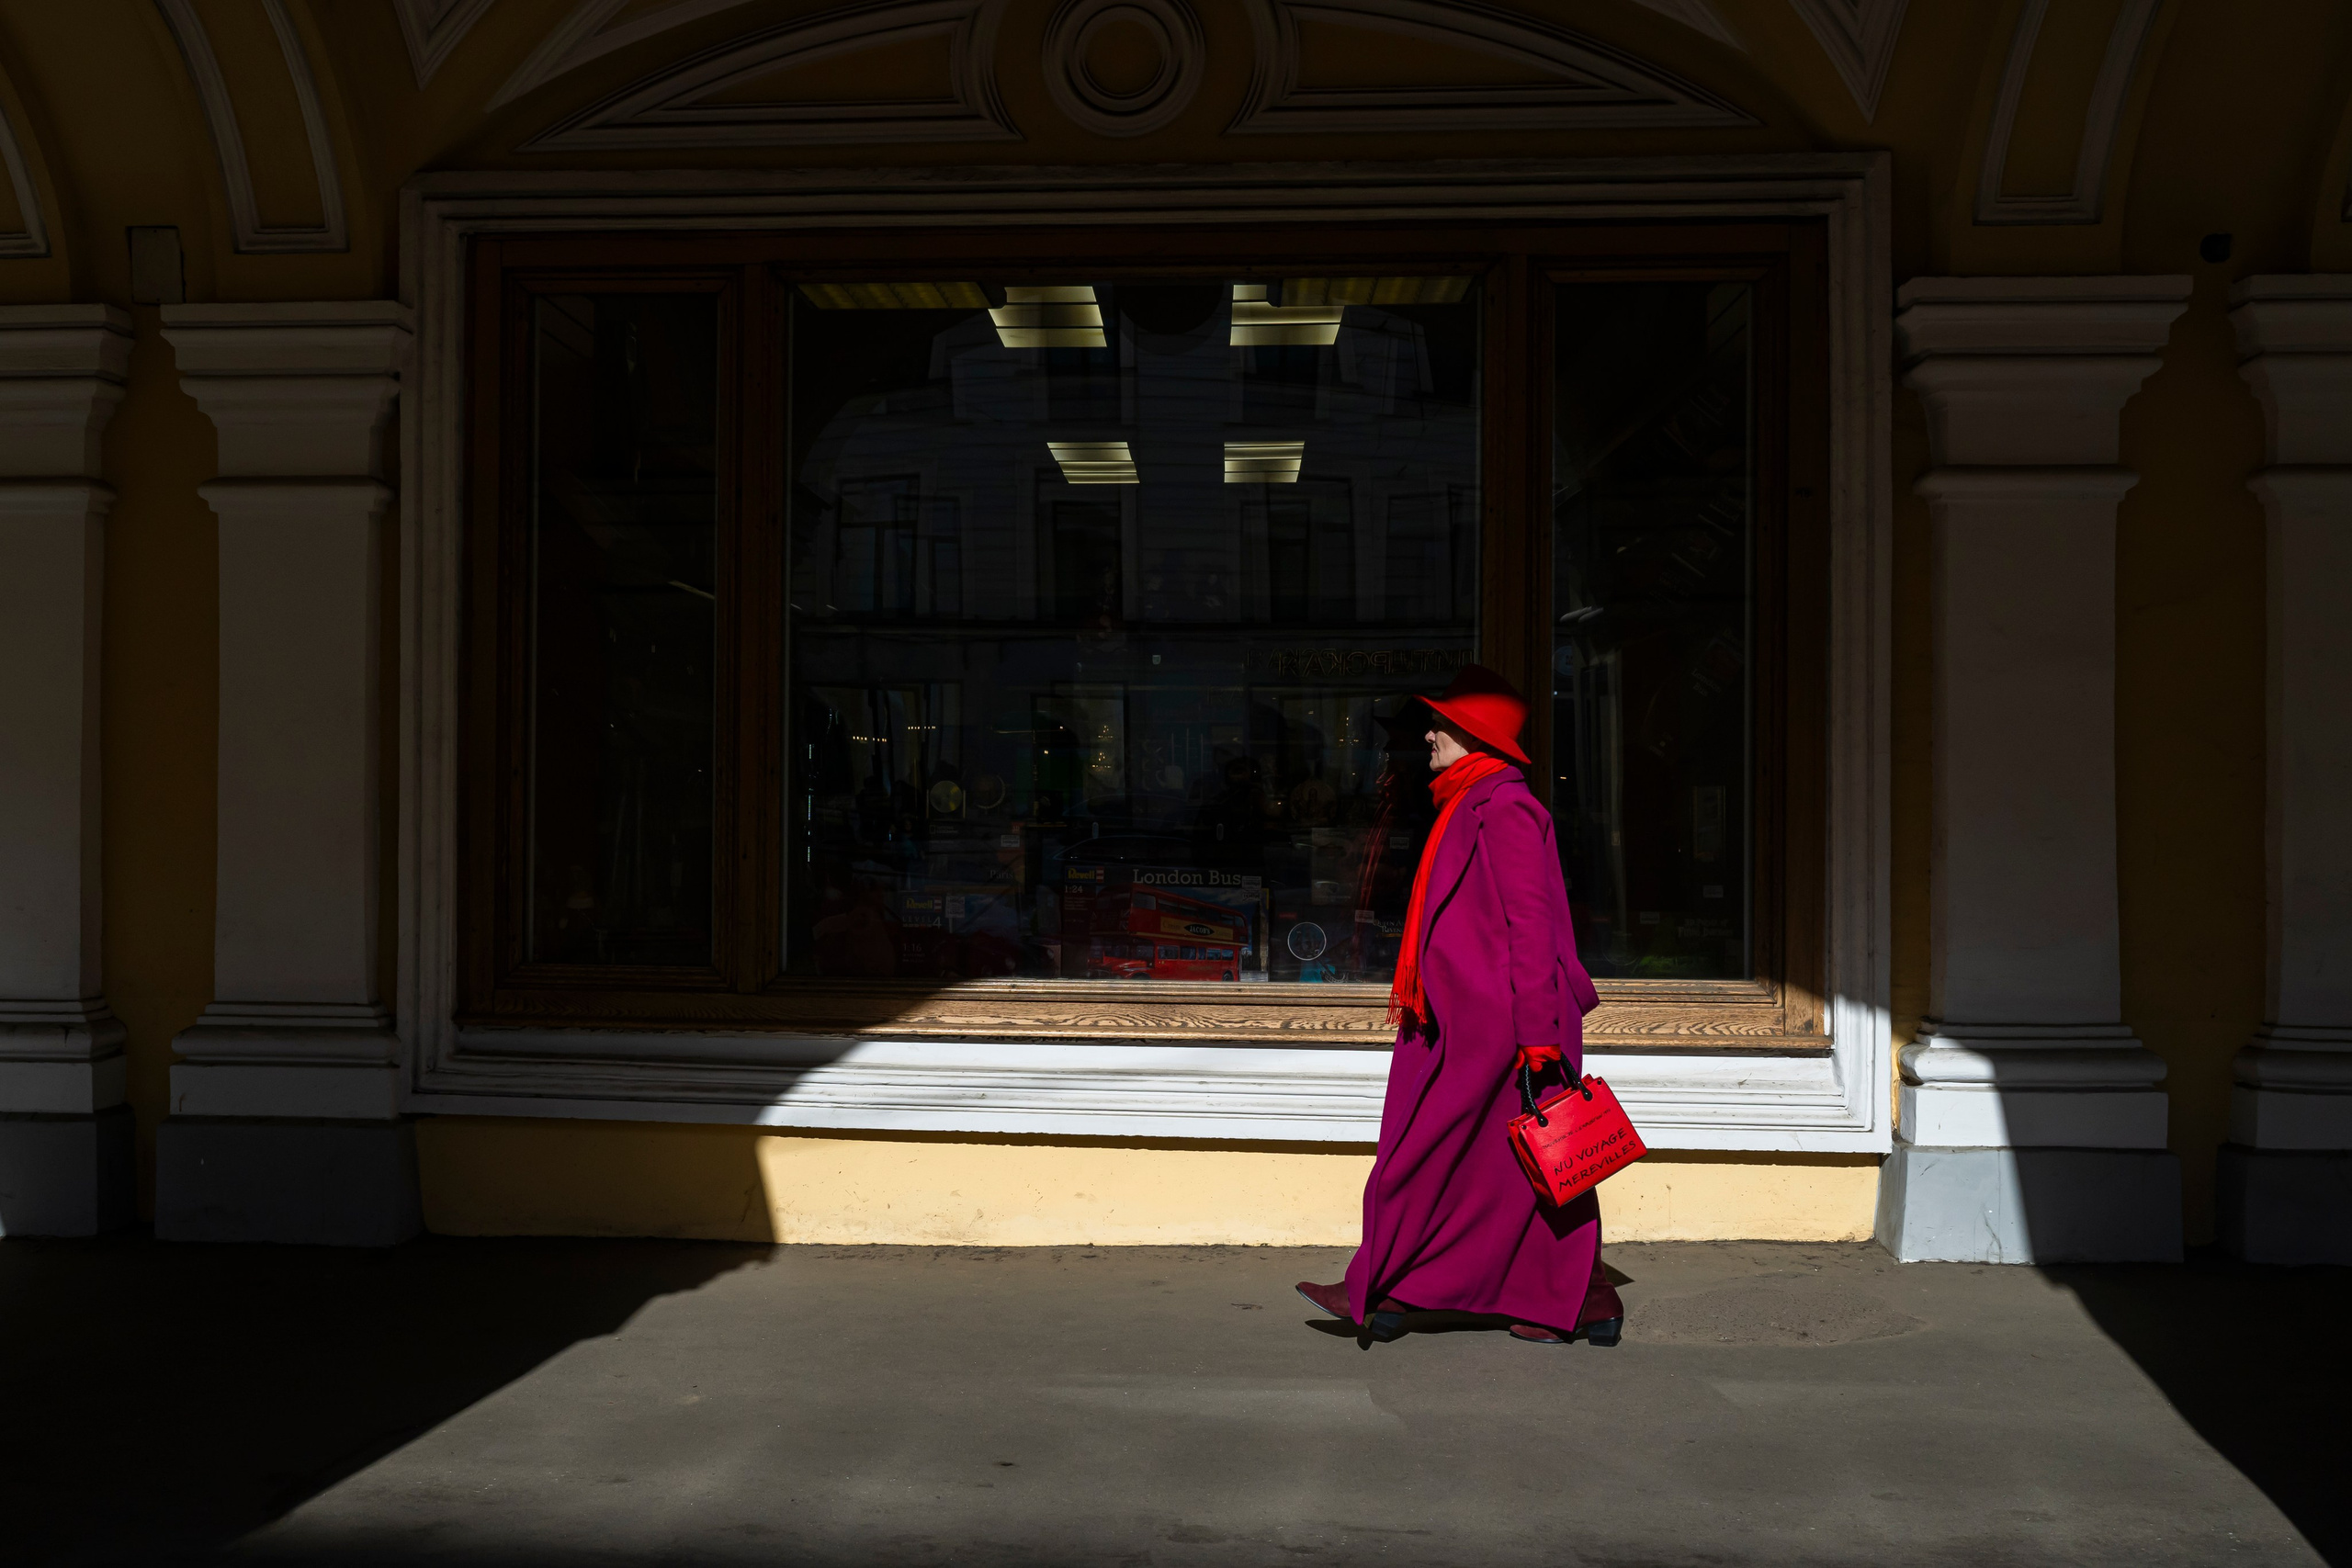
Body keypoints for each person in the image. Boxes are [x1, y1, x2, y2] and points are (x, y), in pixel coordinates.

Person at [1295, 664, 1624, 1347]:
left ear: (1475, 734)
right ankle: (1404, 1290)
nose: (1429, 734)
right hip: (1468, 1021)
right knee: (1488, 1166)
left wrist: (1537, 1038)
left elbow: (1531, 928)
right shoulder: (1469, 802)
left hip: (1505, 1024)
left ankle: (1408, 1290)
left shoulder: (1503, 807)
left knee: (1500, 1159)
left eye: (1442, 724)